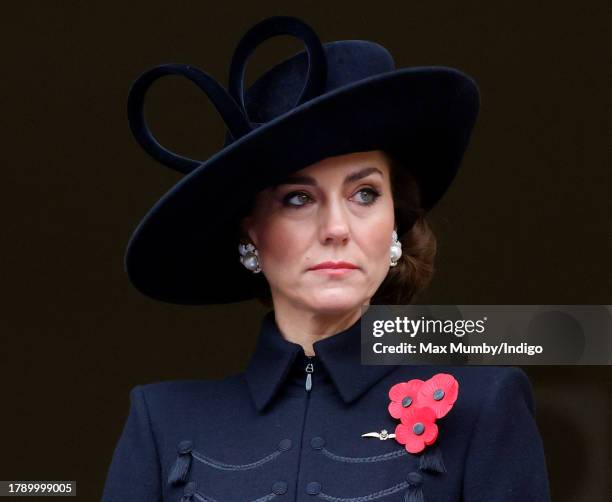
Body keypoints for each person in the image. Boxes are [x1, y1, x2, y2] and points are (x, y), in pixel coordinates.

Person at [102, 16, 551, 502]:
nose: (337, 228)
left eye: (364, 193)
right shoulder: (161, 420)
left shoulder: (484, 408)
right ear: (251, 231)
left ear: (395, 221)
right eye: (298, 198)